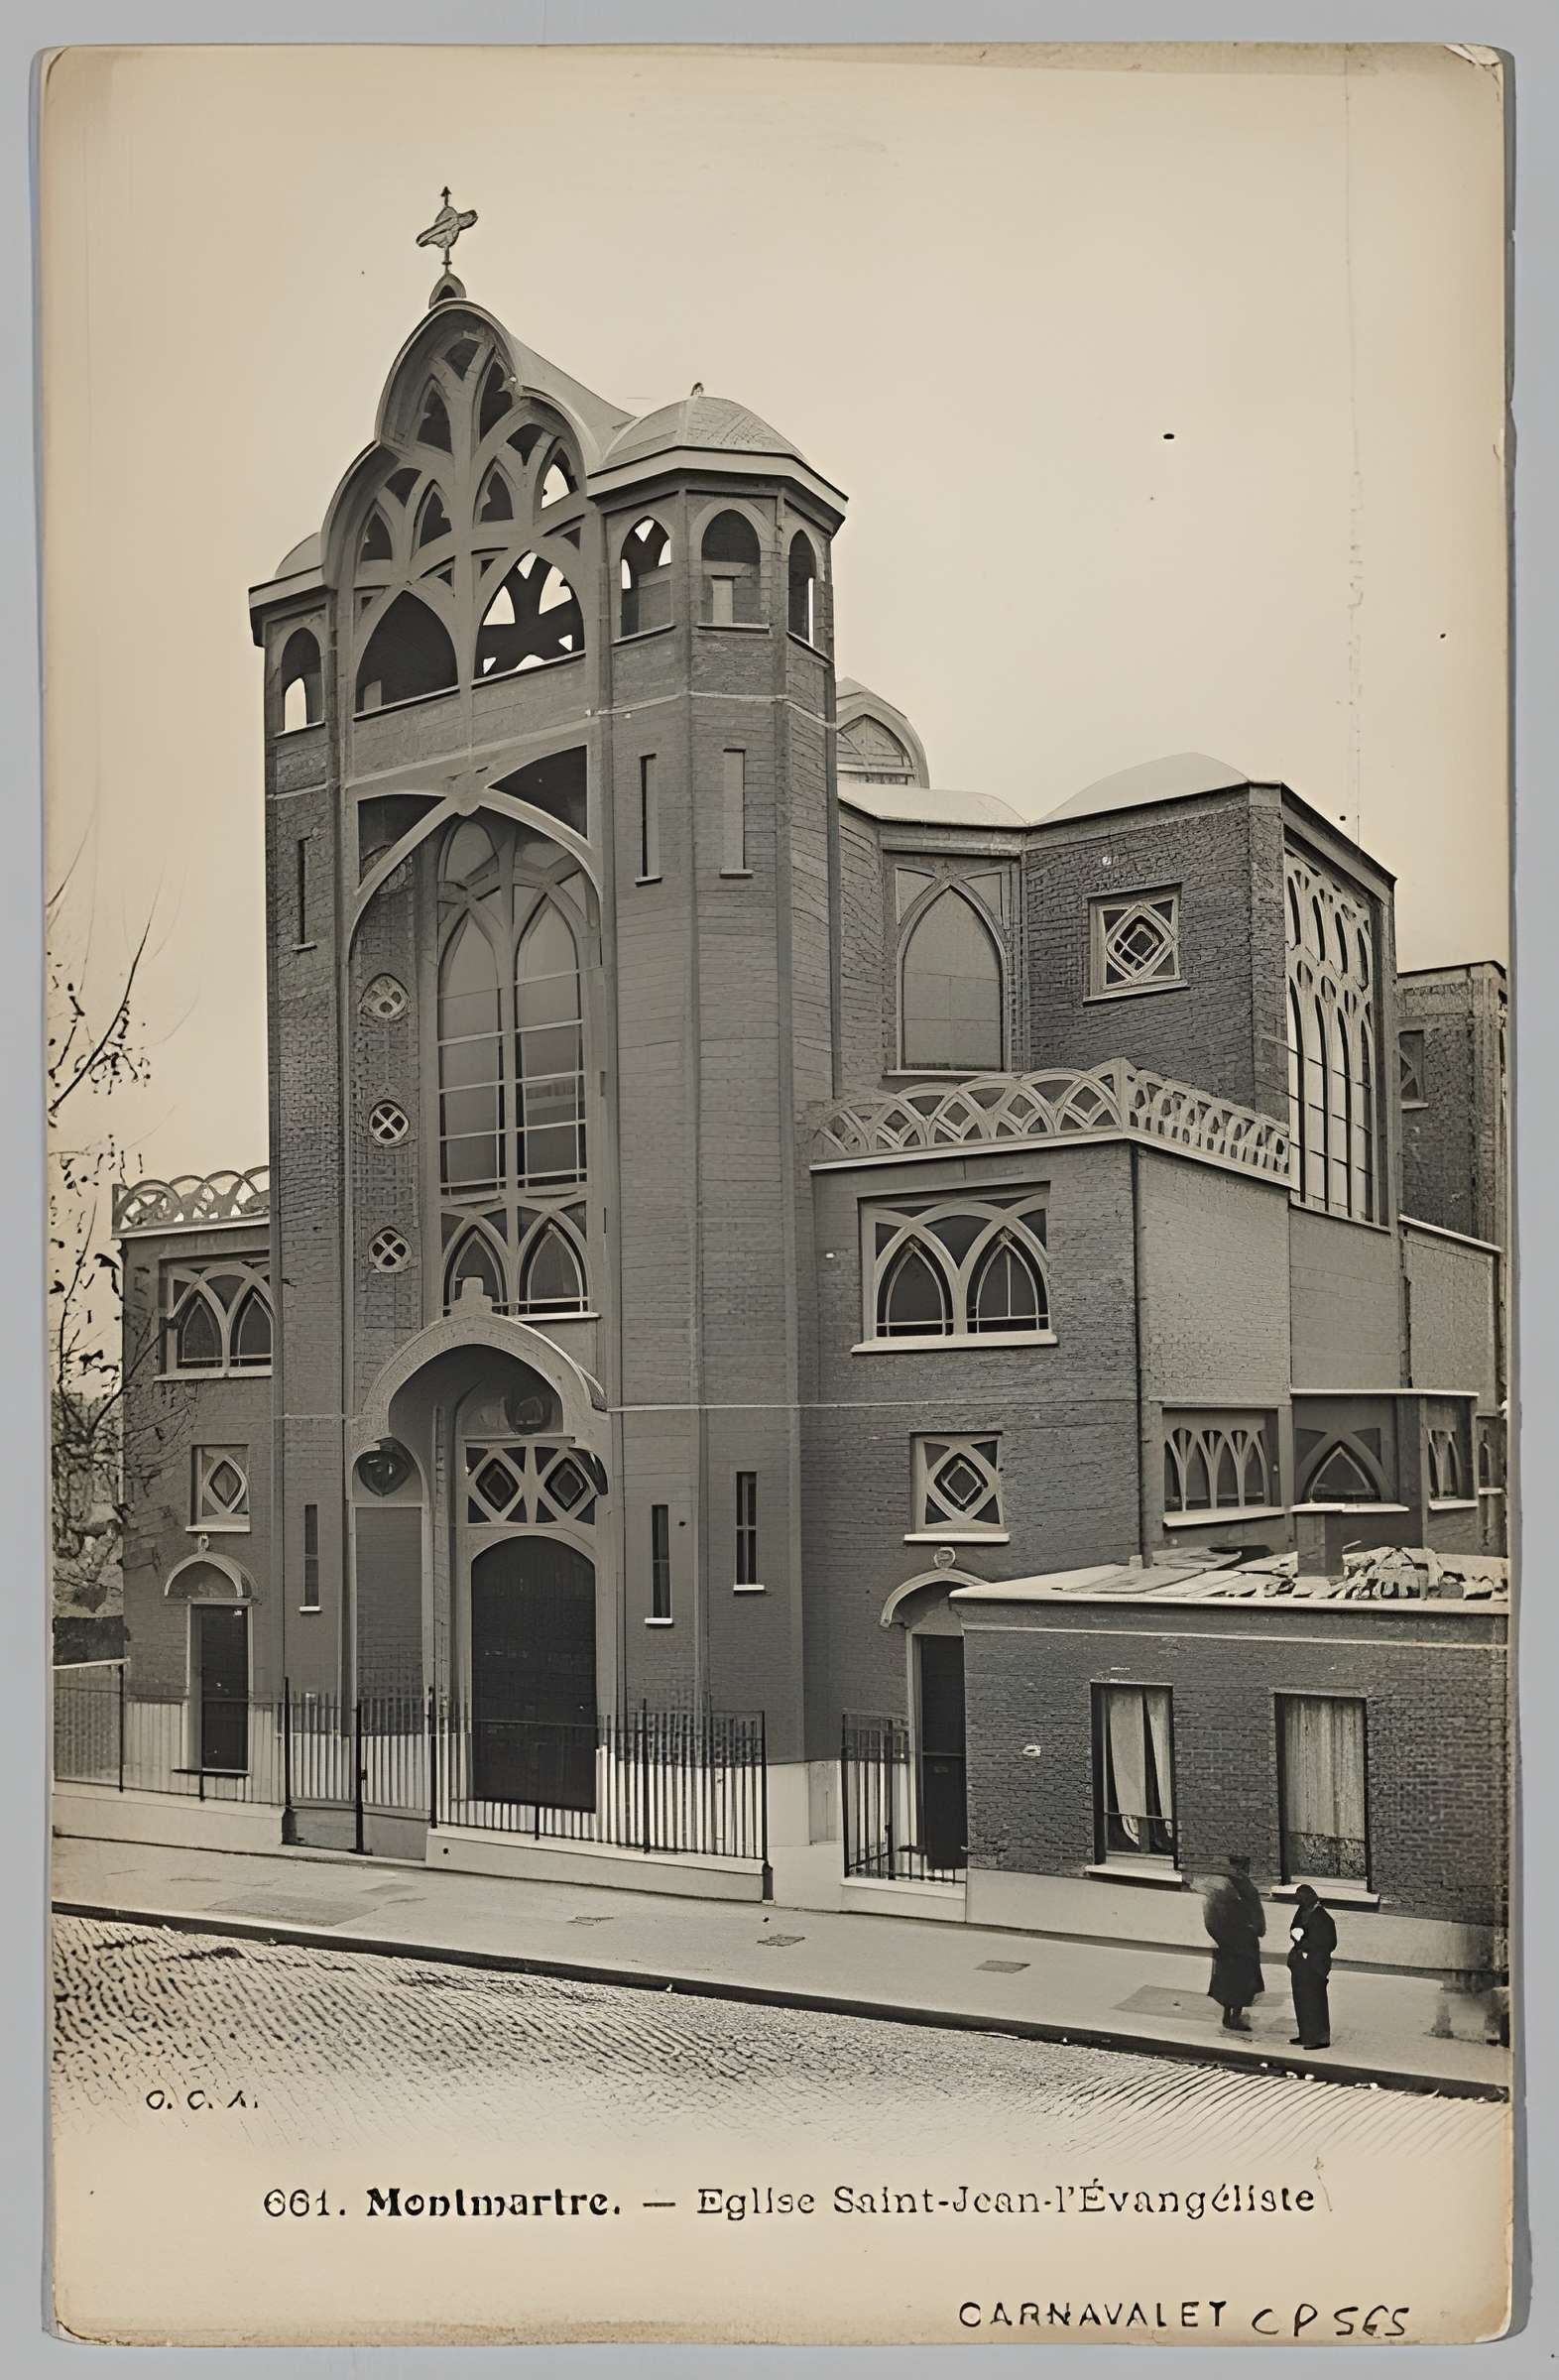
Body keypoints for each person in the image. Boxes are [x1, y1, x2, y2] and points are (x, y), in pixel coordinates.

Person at [1204, 1852, 1265, 2031]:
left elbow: (1211, 1917)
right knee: (1242, 1981)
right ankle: (1235, 2018)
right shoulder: (1245, 1887)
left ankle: (1226, 2015)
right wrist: (1257, 1929)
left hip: (1227, 1943)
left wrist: (1220, 1937)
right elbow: (1256, 1913)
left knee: (1227, 1980)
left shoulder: (1222, 1887)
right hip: (1244, 1943)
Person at [1287, 1883, 1338, 2048]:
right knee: (1301, 2000)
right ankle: (1305, 2034)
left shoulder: (1322, 1918)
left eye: (1301, 1898)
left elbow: (1328, 1943)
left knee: (1315, 2001)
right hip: (1301, 1964)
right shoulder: (1303, 1911)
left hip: (1315, 1965)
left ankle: (1320, 2038)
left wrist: (1304, 1942)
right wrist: (1296, 1934)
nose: (1298, 1902)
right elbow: (1294, 1928)